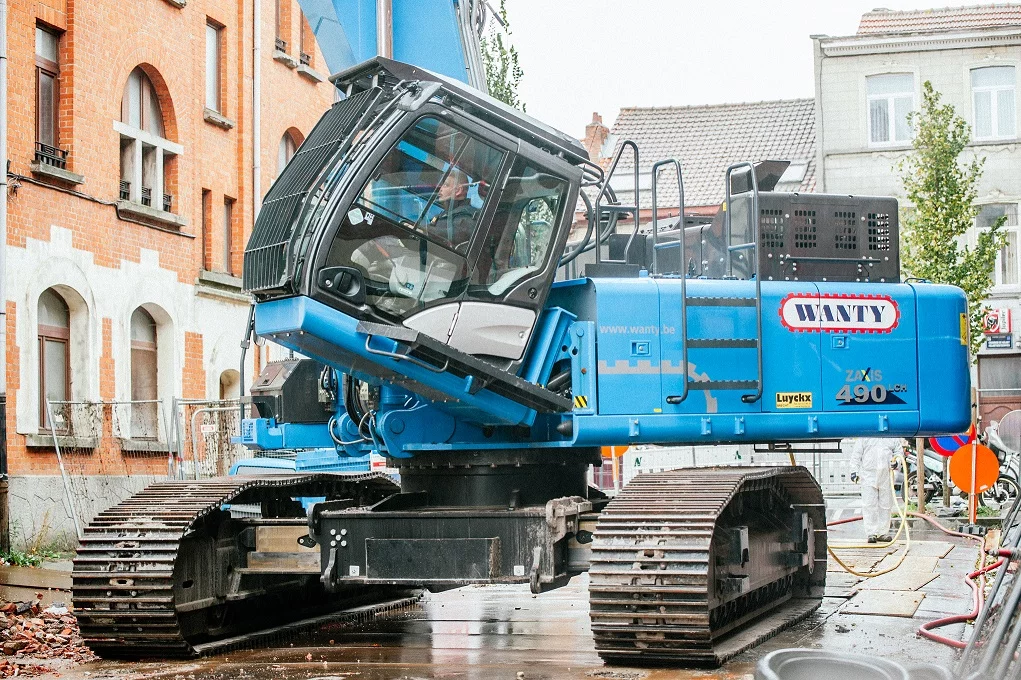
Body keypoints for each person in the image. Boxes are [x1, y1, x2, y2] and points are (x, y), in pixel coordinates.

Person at [848, 437, 904, 543]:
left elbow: (898, 451)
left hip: (886, 474)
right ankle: (871, 533)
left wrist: (897, 461)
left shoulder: (891, 436)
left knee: (886, 504)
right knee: (869, 504)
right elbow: (856, 455)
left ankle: (883, 532)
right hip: (868, 475)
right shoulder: (865, 436)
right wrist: (854, 470)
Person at [427, 169, 479, 252]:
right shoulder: (444, 214)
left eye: (445, 185)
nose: (440, 189)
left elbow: (451, 233)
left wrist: (424, 230)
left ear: (458, 190)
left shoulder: (467, 216)